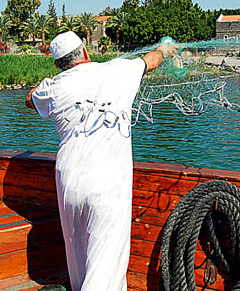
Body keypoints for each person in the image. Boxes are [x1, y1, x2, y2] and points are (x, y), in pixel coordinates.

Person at [26, 31, 177, 291]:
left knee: (79, 261)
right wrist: (165, 50)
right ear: (86, 52)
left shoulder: (53, 86)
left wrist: (44, 87)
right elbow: (151, 61)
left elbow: (30, 99)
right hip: (107, 185)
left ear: (57, 64)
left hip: (68, 183)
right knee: (106, 269)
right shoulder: (119, 70)